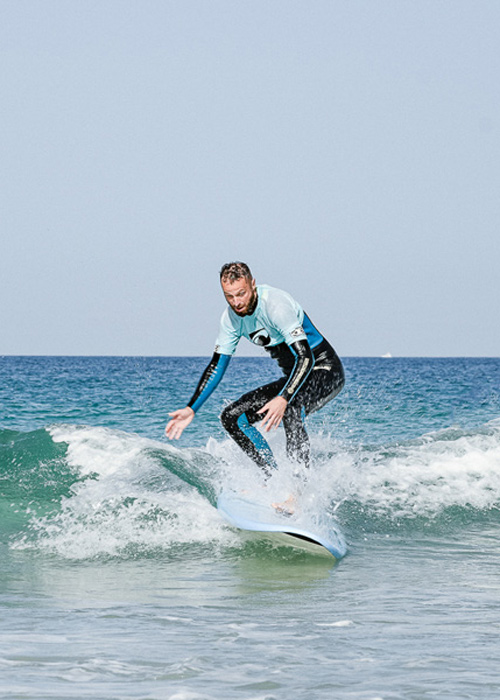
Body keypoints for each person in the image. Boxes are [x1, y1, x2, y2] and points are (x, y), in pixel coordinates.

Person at [165, 262, 344, 477]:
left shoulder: (275, 305)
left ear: (252, 284)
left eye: (241, 294)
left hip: (324, 369)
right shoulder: (231, 319)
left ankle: (299, 488)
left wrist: (284, 397)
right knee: (232, 417)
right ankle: (272, 478)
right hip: (295, 377)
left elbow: (305, 357)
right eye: (229, 296)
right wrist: (192, 408)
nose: (236, 302)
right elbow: (216, 366)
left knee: (290, 408)